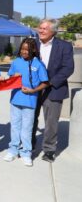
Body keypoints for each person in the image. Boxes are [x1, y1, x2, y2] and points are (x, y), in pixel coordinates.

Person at [32, 19, 74, 162]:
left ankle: (49, 150)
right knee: (30, 118)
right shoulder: (33, 44)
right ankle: (29, 145)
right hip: (33, 89)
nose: (41, 31)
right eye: (40, 28)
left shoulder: (65, 46)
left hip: (54, 88)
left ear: (53, 31)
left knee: (51, 122)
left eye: (45, 29)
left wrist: (49, 83)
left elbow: (68, 68)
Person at [3, 38, 48, 167]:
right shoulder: (16, 62)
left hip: (30, 101)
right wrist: (12, 77)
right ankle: (13, 150)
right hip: (16, 100)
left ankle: (26, 153)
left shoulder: (38, 64)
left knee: (27, 129)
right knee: (15, 126)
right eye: (22, 49)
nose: (23, 52)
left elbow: (45, 82)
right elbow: (10, 78)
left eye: (26, 49)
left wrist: (33, 90)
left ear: (33, 50)